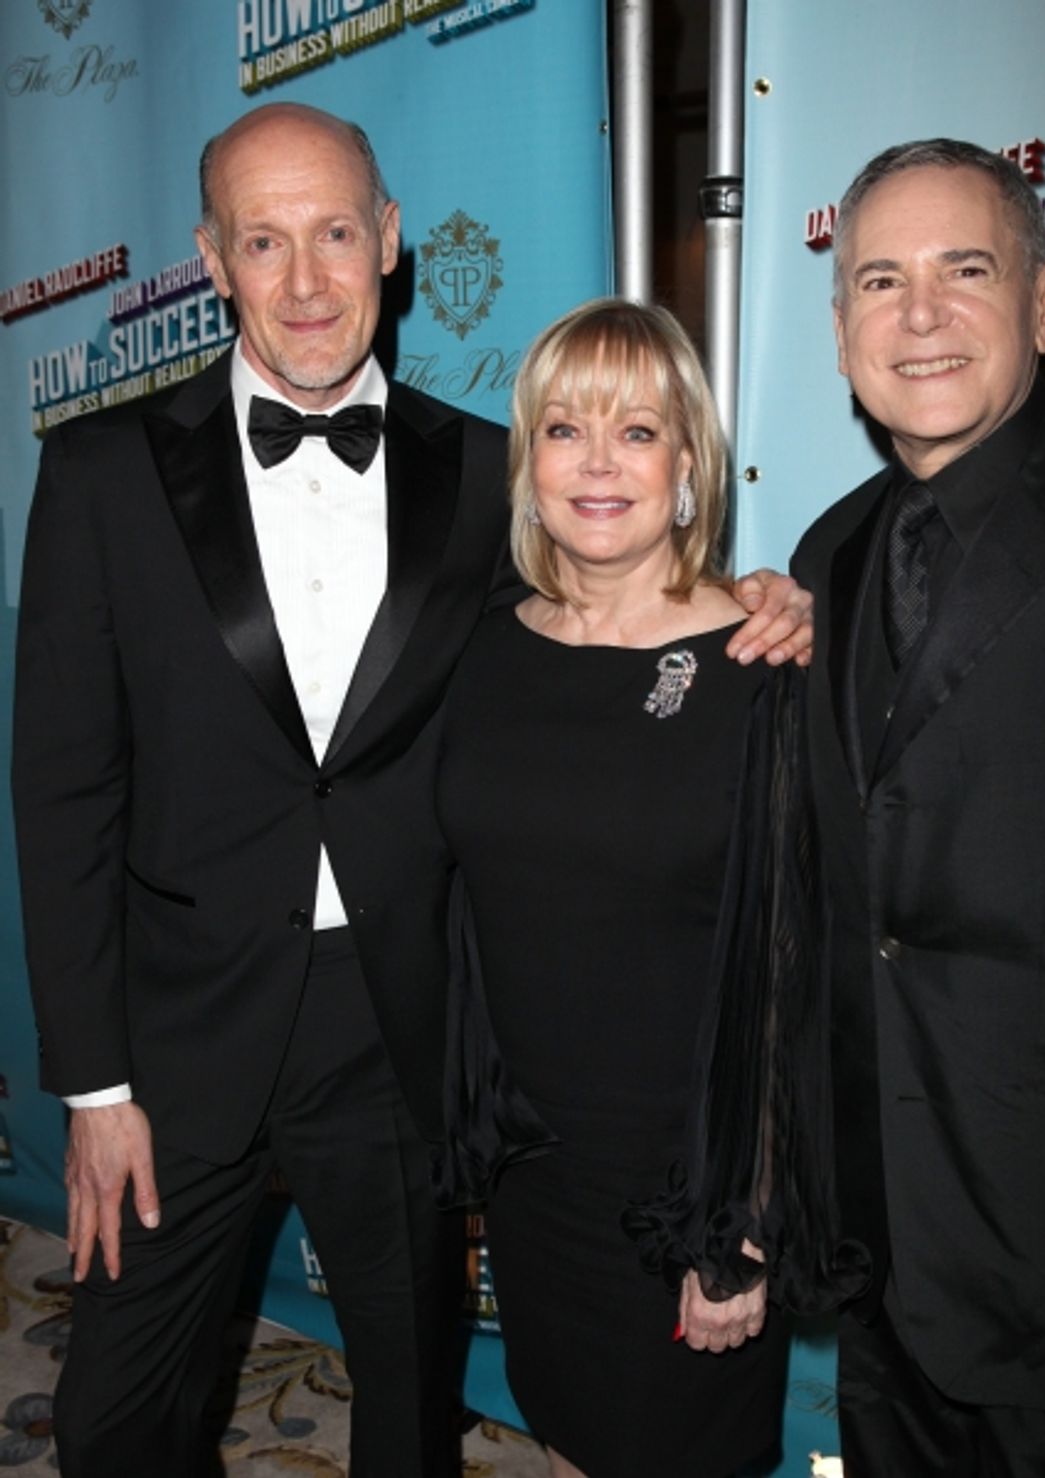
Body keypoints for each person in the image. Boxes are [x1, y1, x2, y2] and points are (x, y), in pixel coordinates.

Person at [10, 104, 811, 1478]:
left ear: (390, 242)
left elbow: (607, 622)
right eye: (265, 241)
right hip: (178, 1033)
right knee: (111, 1417)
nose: (308, 280)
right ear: (212, 260)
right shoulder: (99, 471)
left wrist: (757, 595)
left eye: (336, 233)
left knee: (404, 1403)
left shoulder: (489, 473)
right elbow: (62, 792)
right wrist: (92, 1083)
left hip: (401, 1034)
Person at [791, 137, 1045, 1475]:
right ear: (842, 319)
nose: (917, 316)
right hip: (884, 1255)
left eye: (965, 271)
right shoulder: (828, 553)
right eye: (879, 279)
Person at [433, 298, 866, 1478]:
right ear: (529, 465)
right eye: (567, 428)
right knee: (572, 1434)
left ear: (689, 464)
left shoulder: (760, 661)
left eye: (638, 430)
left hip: (690, 1179)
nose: (599, 462)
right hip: (536, 1173)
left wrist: (746, 1219)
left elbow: (794, 966)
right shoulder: (481, 645)